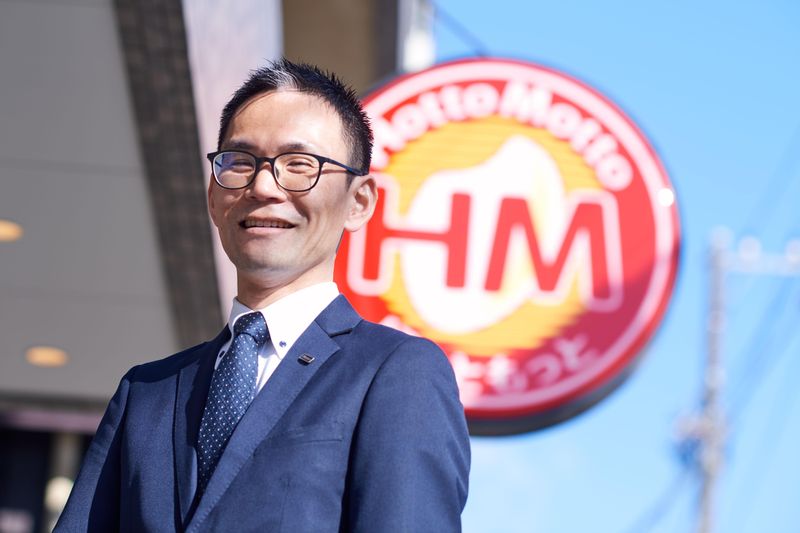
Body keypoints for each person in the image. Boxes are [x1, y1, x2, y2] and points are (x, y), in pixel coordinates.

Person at [55, 58, 470, 532]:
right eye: (240, 162)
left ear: (358, 202)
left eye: (299, 165)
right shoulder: (146, 392)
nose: (263, 186)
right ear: (213, 198)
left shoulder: (397, 372)